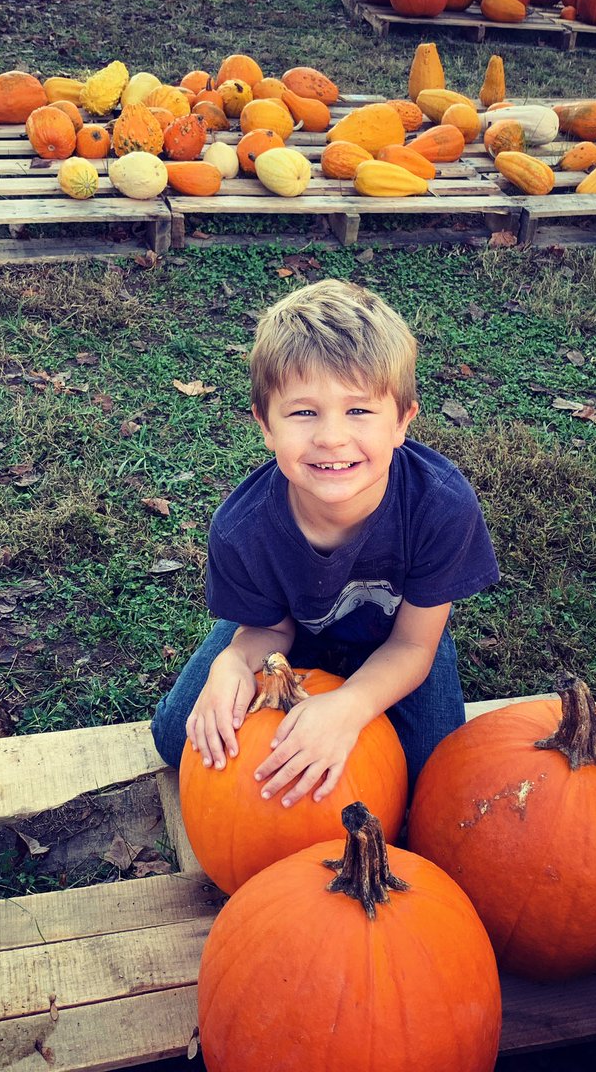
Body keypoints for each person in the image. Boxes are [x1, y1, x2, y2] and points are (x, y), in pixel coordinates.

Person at [150, 278, 499, 807]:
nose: (331, 437)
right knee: (181, 737)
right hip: (284, 628)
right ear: (265, 425)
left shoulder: (440, 507)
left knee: (430, 774)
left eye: (359, 410)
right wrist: (236, 663)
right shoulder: (242, 528)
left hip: (395, 640)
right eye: (303, 412)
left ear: (403, 421)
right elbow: (269, 630)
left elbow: (413, 646)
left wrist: (349, 705)